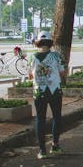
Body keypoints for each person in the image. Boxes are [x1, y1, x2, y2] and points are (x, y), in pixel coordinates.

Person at [28, 31, 66, 159]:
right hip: (55, 91)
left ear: (38, 42)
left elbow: (30, 75)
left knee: (40, 119)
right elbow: (62, 73)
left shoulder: (32, 57)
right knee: (56, 117)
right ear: (50, 42)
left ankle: (42, 150)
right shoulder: (56, 56)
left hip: (39, 92)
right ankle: (55, 145)